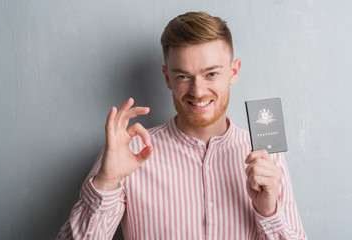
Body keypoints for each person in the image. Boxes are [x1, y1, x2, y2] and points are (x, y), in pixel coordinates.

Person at [57, 11, 307, 240]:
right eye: (184, 76)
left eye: (211, 74)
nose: (198, 91)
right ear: (168, 78)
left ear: (233, 71)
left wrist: (268, 213)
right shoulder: (125, 154)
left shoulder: (266, 157)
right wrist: (107, 182)